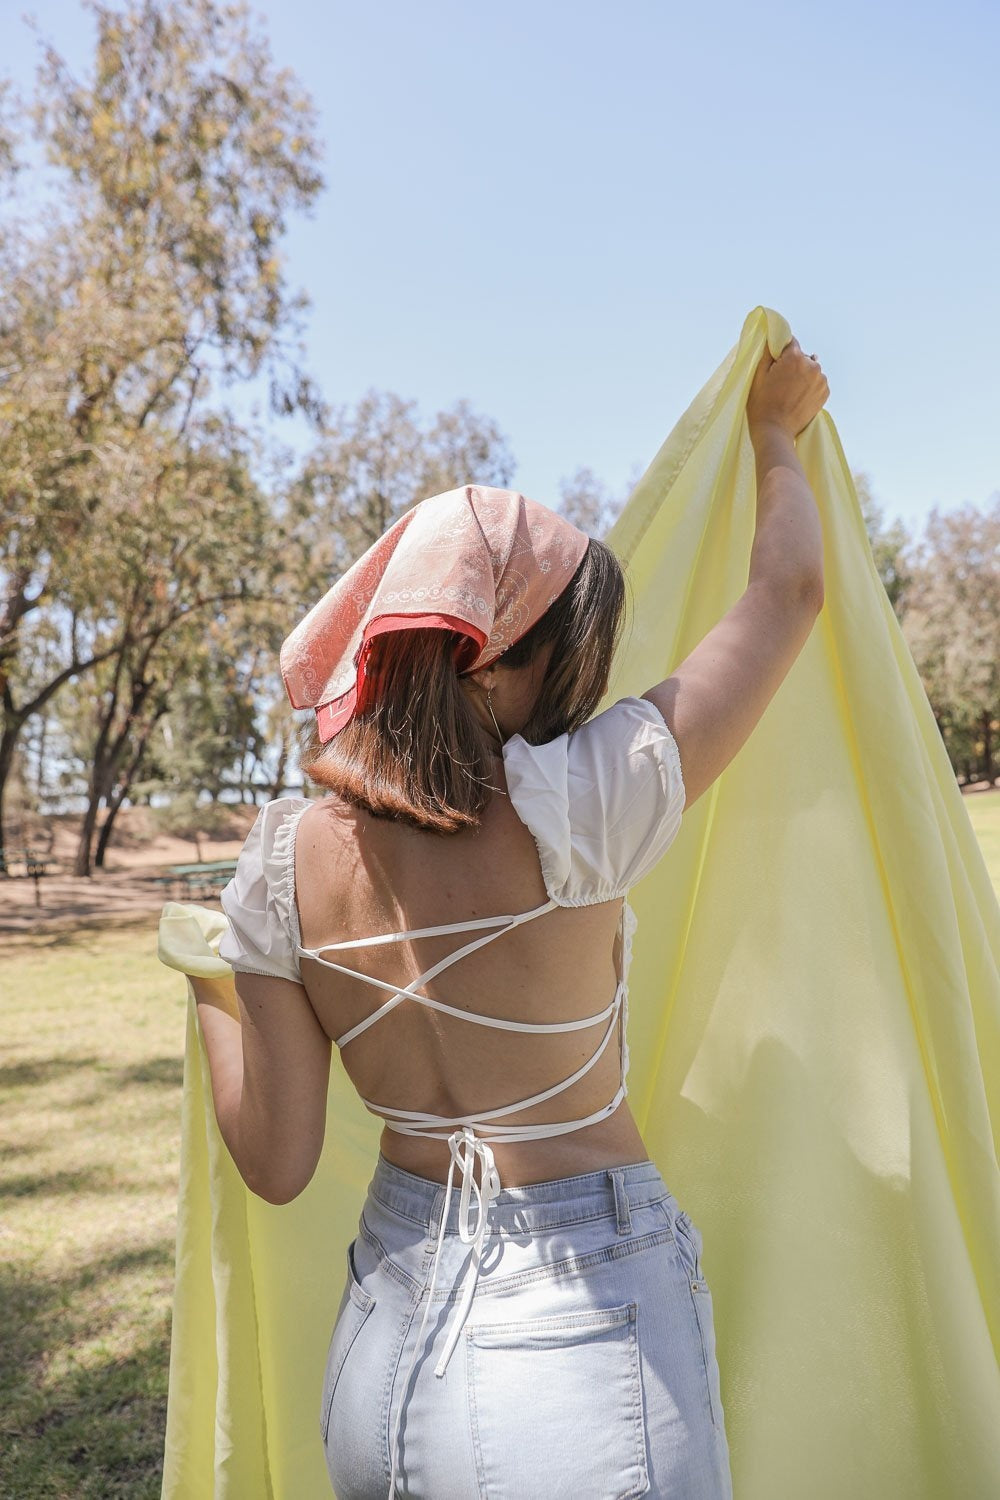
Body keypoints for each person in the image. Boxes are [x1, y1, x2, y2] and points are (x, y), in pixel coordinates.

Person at [192, 335, 829, 1500]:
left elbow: (274, 1164)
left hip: (381, 1358)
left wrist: (206, 977)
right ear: (488, 666)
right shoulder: (582, 797)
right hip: (586, 1354)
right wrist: (773, 434)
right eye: (563, 659)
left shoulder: (279, 862)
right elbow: (787, 594)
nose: (578, 686)